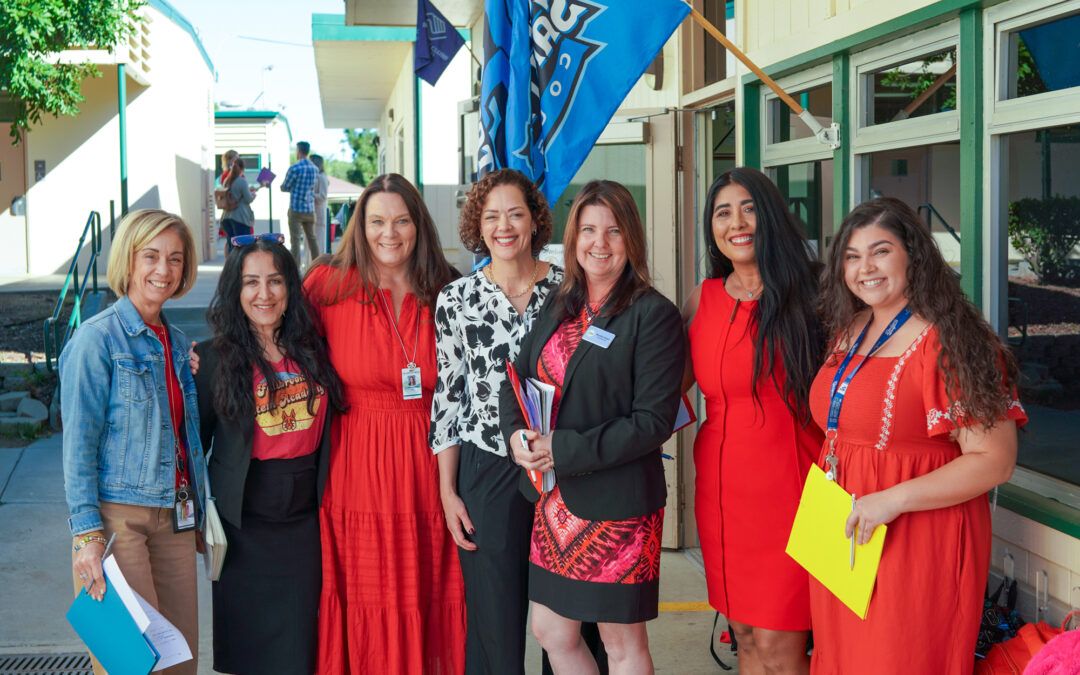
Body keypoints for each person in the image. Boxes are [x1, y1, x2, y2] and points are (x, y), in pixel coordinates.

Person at [809, 197, 1026, 674]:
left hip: (915, 534)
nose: (865, 267)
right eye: (851, 255)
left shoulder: (953, 341)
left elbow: (995, 459)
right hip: (843, 527)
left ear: (913, 255)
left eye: (880, 251)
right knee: (841, 658)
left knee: (895, 661)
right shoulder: (852, 327)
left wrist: (891, 499)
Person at [501, 180, 684, 674]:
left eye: (614, 230)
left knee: (622, 643)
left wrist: (561, 448)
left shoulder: (654, 315)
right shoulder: (559, 305)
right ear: (573, 237)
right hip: (554, 502)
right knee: (550, 630)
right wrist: (518, 436)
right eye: (587, 230)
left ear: (632, 239)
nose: (599, 243)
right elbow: (514, 382)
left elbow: (652, 423)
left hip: (617, 505)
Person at [304, 173, 466, 673]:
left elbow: (465, 388)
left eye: (401, 220)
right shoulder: (326, 286)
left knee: (429, 591)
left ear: (418, 225)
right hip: (355, 467)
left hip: (431, 466)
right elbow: (272, 343)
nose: (388, 233)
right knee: (363, 595)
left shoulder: (448, 290)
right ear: (360, 225)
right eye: (376, 221)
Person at [682, 167, 823, 674]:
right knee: (742, 634)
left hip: (797, 489)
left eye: (749, 208)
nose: (737, 222)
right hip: (722, 492)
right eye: (723, 212)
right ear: (712, 227)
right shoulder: (702, 299)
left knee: (779, 642)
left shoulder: (813, 295)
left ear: (771, 217)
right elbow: (663, 394)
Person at [430, 168, 562, 674]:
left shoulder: (569, 290)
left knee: (568, 621)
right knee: (494, 619)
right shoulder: (455, 300)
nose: (503, 226)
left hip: (563, 467)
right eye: (491, 217)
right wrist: (448, 491)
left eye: (515, 213)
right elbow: (448, 397)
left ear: (533, 221)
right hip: (487, 468)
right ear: (477, 227)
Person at [61, 209, 205, 675]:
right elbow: (78, 447)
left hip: (176, 519)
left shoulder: (179, 343)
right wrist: (86, 536)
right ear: (128, 259)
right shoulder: (96, 339)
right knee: (131, 666)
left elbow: (182, 436)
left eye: (175, 259)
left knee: (181, 659)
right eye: (151, 256)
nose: (163, 270)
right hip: (117, 520)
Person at [193, 233, 344, 675]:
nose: (264, 294)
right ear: (234, 290)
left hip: (303, 524)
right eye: (251, 282)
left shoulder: (316, 349)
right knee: (248, 653)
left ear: (290, 288)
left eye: (275, 281)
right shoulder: (211, 360)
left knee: (299, 649)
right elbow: (191, 445)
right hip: (243, 527)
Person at [280, 141, 320, 266]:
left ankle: (296, 269)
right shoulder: (315, 169)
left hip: (296, 209)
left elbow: (285, 186)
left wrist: (283, 187)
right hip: (309, 209)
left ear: (298, 151)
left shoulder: (294, 168)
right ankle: (317, 267)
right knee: (312, 240)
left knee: (295, 241)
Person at [219, 157, 258, 256]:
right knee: (243, 247)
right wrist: (253, 195)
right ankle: (240, 269)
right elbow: (248, 199)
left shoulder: (227, 180)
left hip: (227, 217)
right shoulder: (241, 181)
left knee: (232, 247)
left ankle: (232, 268)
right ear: (242, 169)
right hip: (240, 218)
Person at [310, 154, 330, 258]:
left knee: (319, 242)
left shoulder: (322, 177)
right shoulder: (315, 177)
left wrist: (309, 194)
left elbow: (322, 196)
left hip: (319, 214)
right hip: (312, 214)